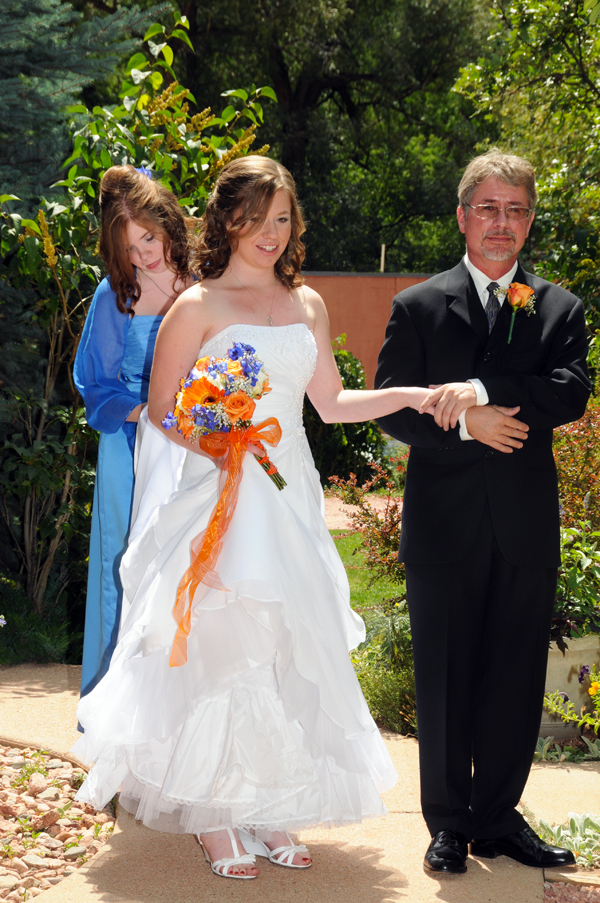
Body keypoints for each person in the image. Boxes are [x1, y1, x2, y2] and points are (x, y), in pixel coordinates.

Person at [72, 155, 464, 880]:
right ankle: (214, 813)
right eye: (257, 218)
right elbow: (163, 408)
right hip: (222, 492)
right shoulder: (198, 306)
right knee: (222, 646)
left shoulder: (307, 303)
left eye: (283, 218)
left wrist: (412, 395)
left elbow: (331, 404)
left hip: (289, 494)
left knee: (281, 644)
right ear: (227, 220)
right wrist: (220, 443)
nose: (271, 233)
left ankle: (265, 801)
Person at [375, 149, 590, 875]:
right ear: (463, 217)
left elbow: (569, 391)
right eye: (489, 208)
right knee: (443, 678)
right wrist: (467, 424)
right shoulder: (418, 306)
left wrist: (481, 390)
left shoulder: (559, 308)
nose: (503, 223)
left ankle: (498, 819)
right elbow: (393, 407)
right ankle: (447, 824)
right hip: (443, 525)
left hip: (524, 526)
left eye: (516, 210)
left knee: (514, 678)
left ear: (530, 221)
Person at [74, 165, 197, 699]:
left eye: (148, 238)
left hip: (200, 446)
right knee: (125, 563)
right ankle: (113, 704)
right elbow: (95, 386)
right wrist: (154, 413)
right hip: (129, 446)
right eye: (128, 248)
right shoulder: (114, 296)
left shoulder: (206, 280)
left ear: (167, 221)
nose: (143, 256)